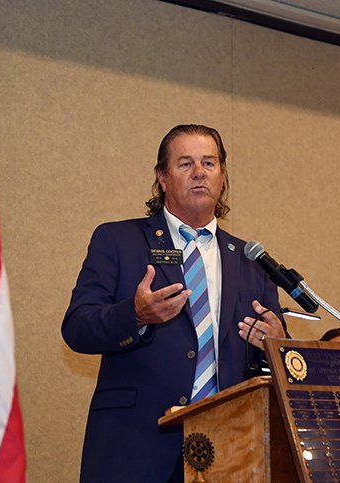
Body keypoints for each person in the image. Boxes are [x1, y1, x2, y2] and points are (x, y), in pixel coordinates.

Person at [62, 124, 287, 482]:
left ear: (222, 177)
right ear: (163, 178)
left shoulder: (250, 261)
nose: (199, 172)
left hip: (228, 451)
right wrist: (134, 315)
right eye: (185, 164)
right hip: (135, 446)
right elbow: (77, 327)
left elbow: (267, 356)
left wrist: (275, 342)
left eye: (209, 163)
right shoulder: (118, 240)